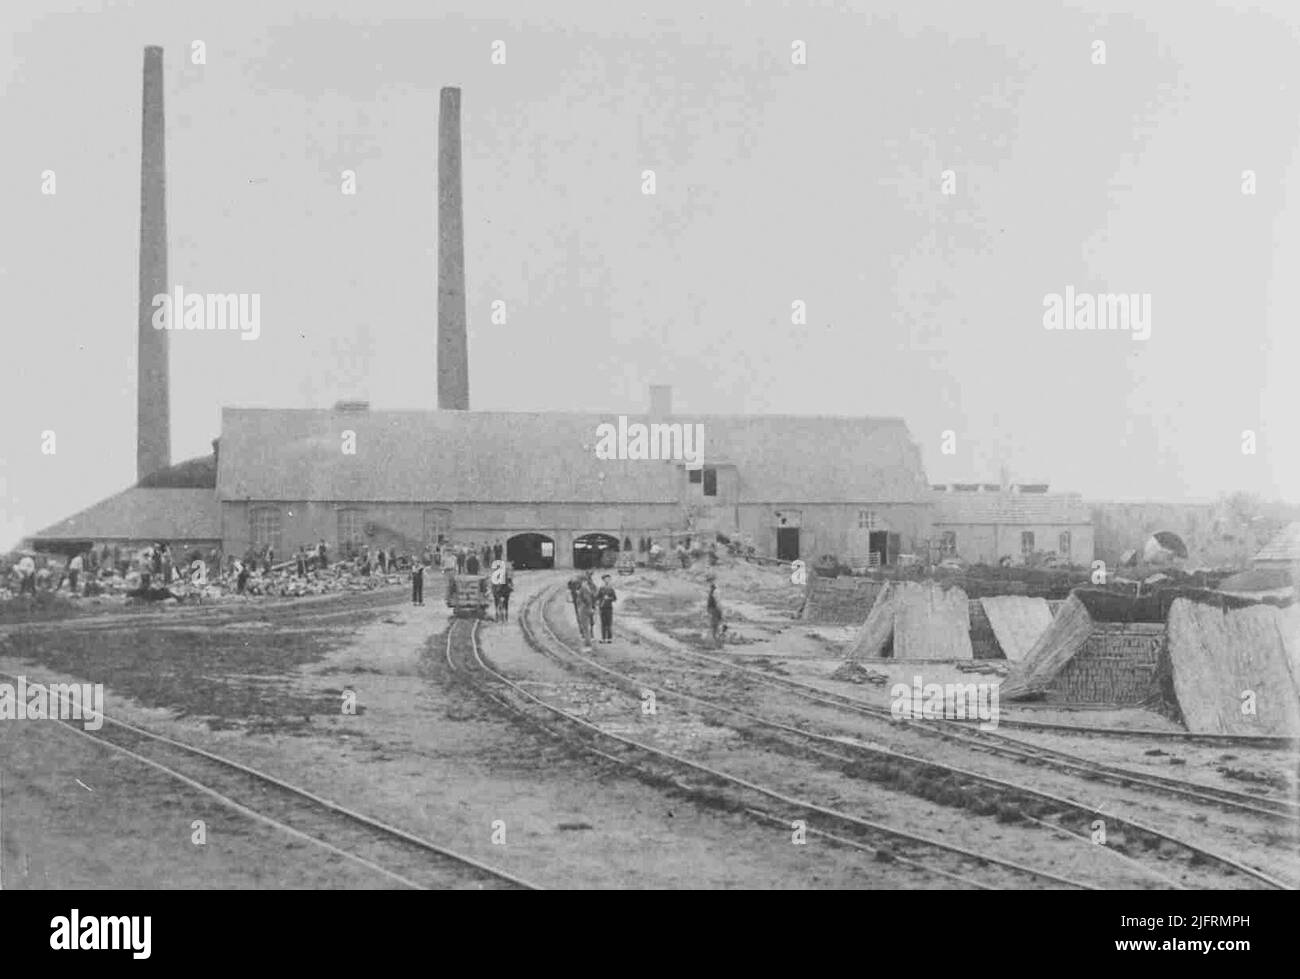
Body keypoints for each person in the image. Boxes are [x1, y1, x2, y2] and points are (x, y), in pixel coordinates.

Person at [596, 574, 617, 643]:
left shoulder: (611, 589)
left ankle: (609, 638)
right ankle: (603, 638)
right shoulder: (601, 588)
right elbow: (597, 597)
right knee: (603, 623)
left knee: (609, 623)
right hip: (602, 607)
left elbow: (614, 598)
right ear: (603, 580)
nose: (607, 580)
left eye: (608, 579)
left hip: (609, 608)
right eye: (606, 579)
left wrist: (609, 598)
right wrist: (599, 601)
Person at [707, 579, 724, 647]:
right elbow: (717, 602)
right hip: (715, 610)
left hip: (714, 609)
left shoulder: (713, 593)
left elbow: (715, 602)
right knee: (715, 626)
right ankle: (716, 641)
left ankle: (715, 640)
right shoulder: (715, 592)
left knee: (714, 626)